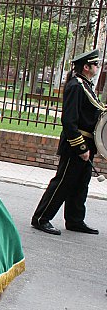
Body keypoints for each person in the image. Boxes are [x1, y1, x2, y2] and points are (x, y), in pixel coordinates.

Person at [31, 49, 103, 236]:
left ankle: (74, 220)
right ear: (86, 67)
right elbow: (69, 120)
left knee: (81, 184)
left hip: (88, 143)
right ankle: (41, 218)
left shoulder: (86, 85)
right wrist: (80, 147)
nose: (97, 67)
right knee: (63, 182)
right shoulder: (76, 86)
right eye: (95, 64)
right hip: (76, 144)